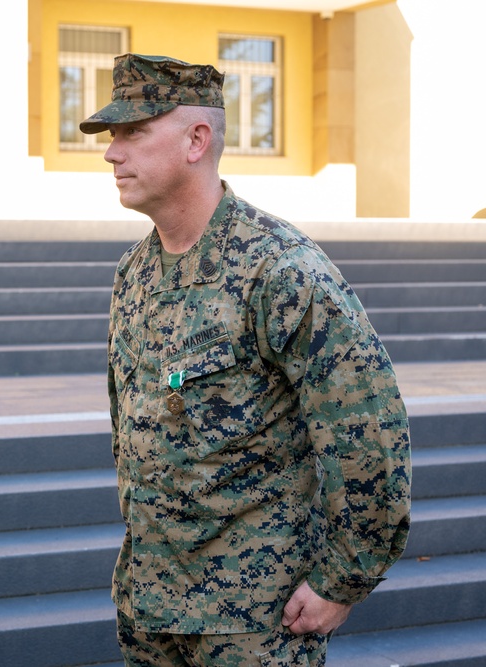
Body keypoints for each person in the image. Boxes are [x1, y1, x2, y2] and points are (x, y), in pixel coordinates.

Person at [81, 54, 411, 666]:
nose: (111, 152)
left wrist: (342, 579)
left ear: (195, 141)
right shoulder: (134, 273)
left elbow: (368, 433)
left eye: (133, 132)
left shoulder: (282, 271)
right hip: (151, 610)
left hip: (255, 622)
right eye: (111, 135)